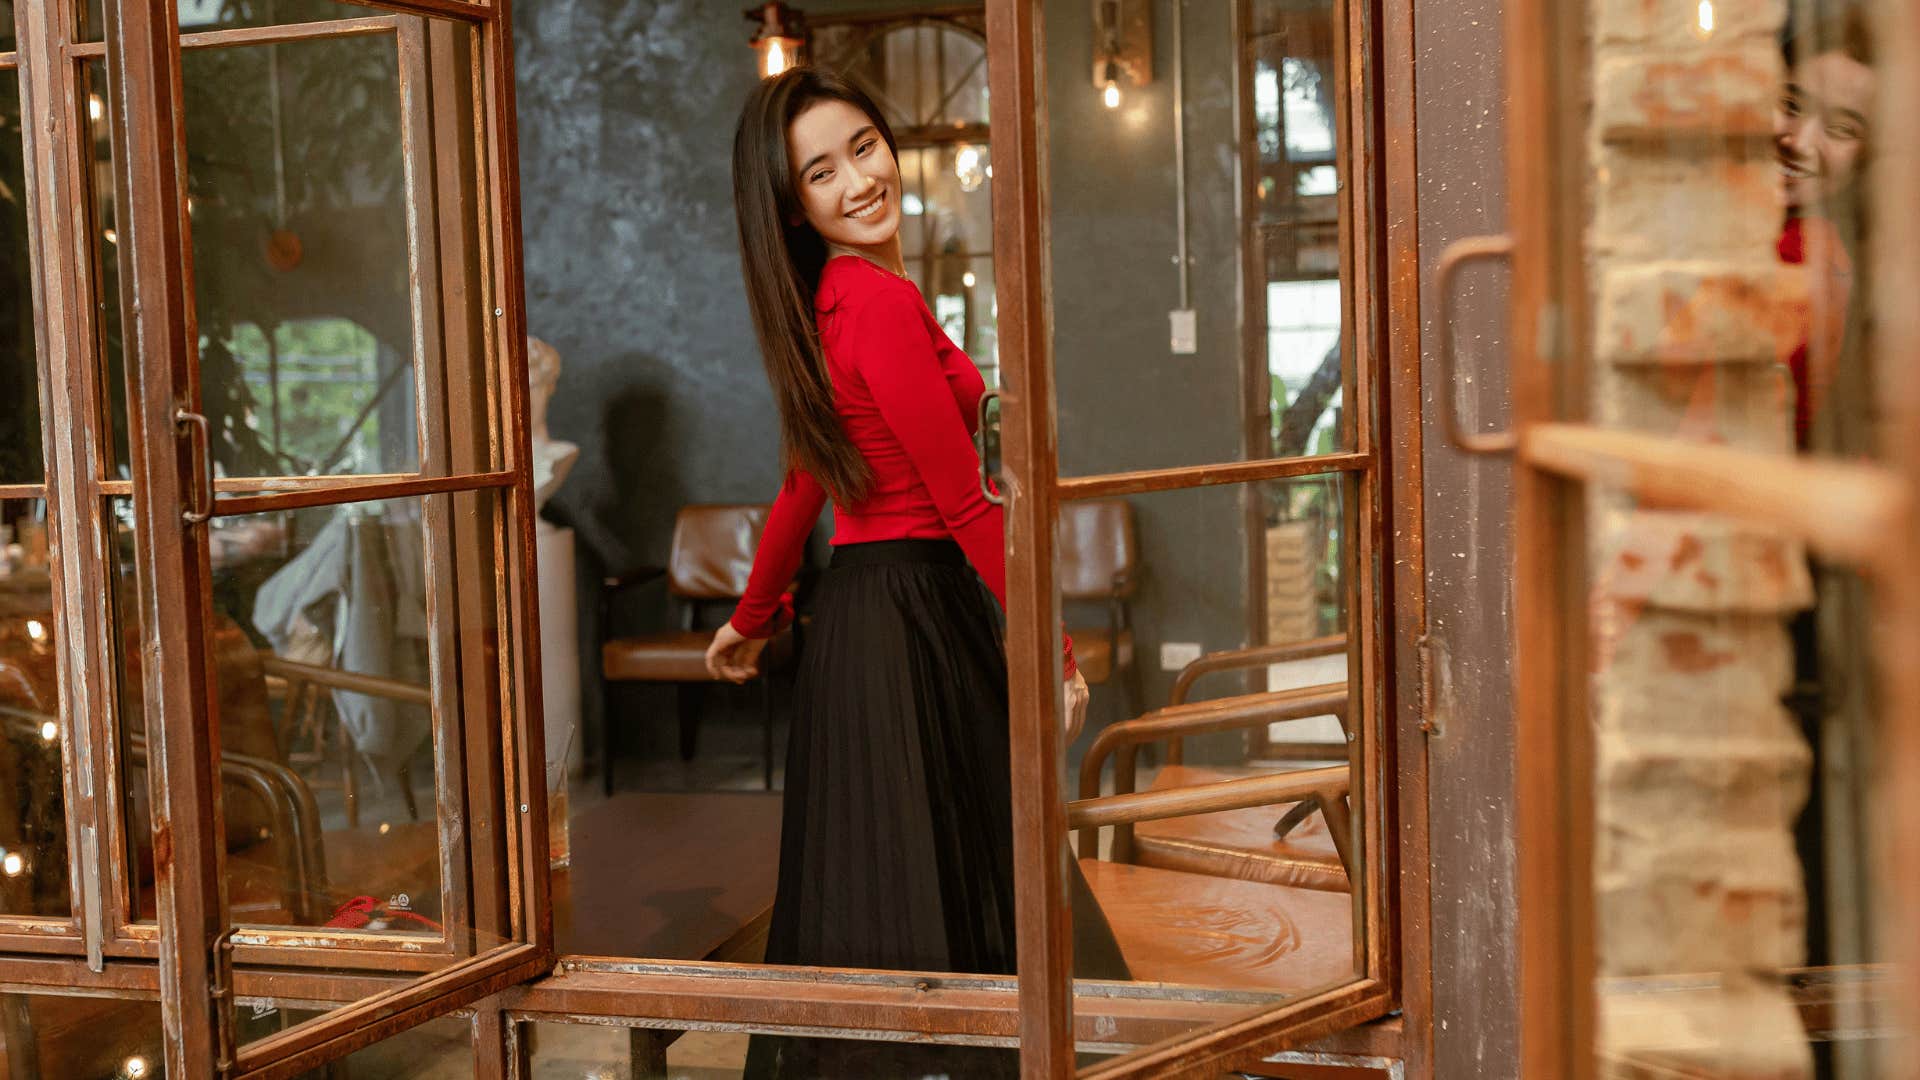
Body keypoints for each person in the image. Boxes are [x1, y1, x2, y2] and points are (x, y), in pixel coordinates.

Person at [706, 67, 1131, 1078]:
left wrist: (754, 615)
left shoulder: (832, 304)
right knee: (967, 881)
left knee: (886, 894)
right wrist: (1053, 649)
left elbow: (807, 486)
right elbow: (968, 503)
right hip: (915, 612)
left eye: (863, 145)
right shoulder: (879, 304)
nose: (858, 179)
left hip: (862, 625)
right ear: (794, 207)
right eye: (822, 171)